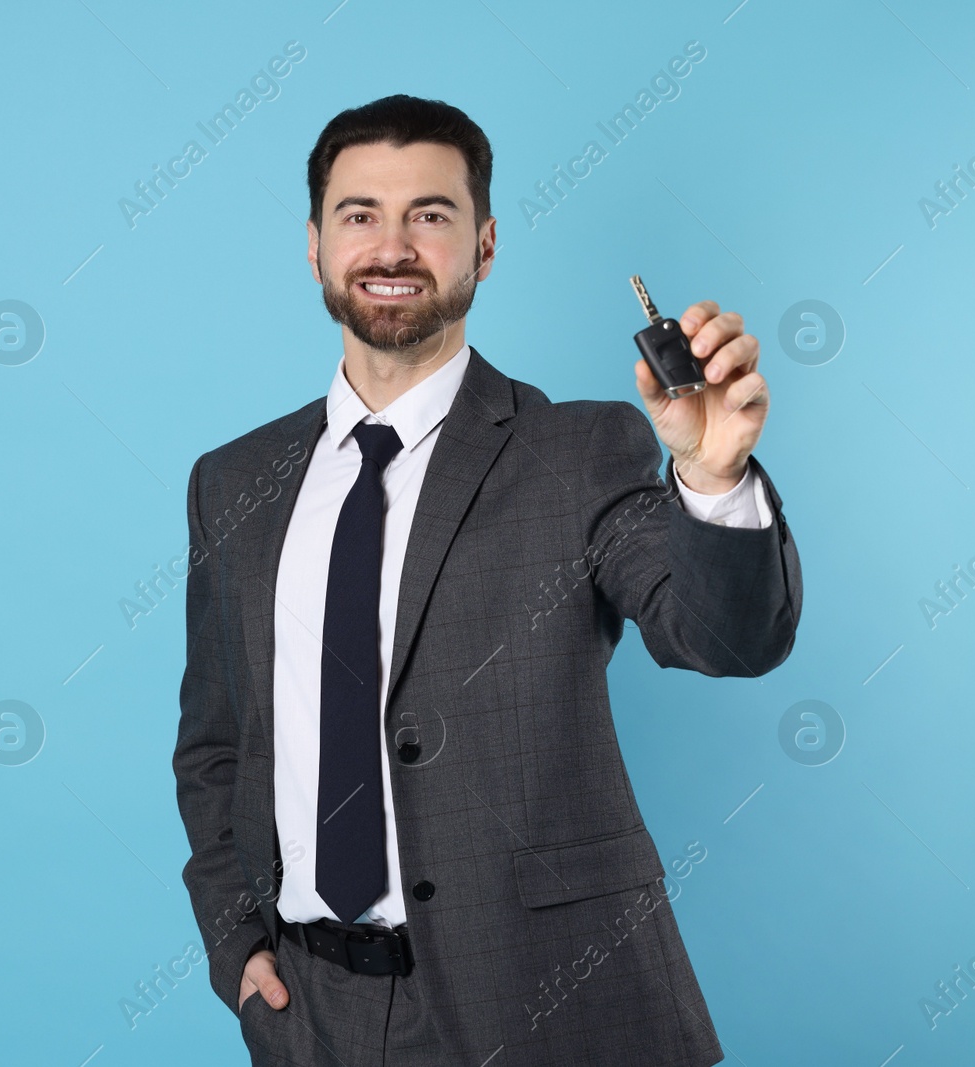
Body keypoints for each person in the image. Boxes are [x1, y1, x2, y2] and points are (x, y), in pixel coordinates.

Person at [172, 94, 801, 1066]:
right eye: (358, 215)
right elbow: (215, 743)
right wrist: (236, 942)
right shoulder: (232, 482)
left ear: (485, 245)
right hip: (307, 1016)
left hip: (547, 1004)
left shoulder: (579, 449)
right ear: (312, 246)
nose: (391, 246)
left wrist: (712, 477)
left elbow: (725, 637)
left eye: (429, 214)